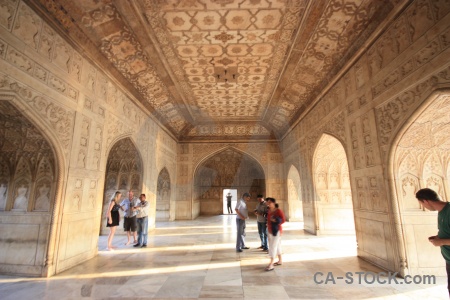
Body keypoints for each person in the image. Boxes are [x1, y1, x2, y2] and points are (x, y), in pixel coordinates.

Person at [416, 188, 450, 296]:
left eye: (422, 203)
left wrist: (441, 242)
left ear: (425, 201)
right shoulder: (442, 212)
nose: (423, 207)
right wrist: (438, 237)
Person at [265, 197, 285, 271]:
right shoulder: (269, 211)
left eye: (270, 202)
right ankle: (280, 260)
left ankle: (271, 264)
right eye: (268, 202)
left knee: (273, 246)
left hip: (276, 231)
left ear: (274, 203)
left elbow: (283, 220)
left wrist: (276, 221)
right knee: (277, 245)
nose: (268, 204)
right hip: (270, 230)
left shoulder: (278, 211)